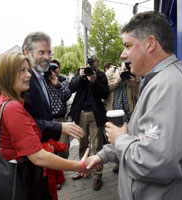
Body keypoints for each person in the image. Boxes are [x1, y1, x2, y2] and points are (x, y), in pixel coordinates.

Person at [87, 11, 182, 200]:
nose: (123, 54)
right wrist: (103, 156)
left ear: (151, 44)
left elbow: (157, 162)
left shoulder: (169, 86)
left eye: (128, 45)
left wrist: (120, 140)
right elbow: (140, 137)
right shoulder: (157, 81)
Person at [0, 52, 95, 200]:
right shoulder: (11, 108)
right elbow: (38, 157)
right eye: (22, 70)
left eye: (28, 70)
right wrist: (79, 165)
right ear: (7, 74)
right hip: (25, 181)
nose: (29, 75)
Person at [22, 32, 84, 198]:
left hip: (44, 153)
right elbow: (28, 123)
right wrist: (60, 126)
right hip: (33, 158)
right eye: (41, 52)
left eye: (49, 52)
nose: (47, 57)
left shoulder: (43, 78)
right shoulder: (24, 81)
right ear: (27, 53)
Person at [69, 56, 109, 191]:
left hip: (95, 113)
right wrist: (80, 77)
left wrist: (94, 81)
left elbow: (104, 93)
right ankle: (82, 169)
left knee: (97, 145)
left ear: (97, 65)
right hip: (80, 113)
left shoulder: (100, 75)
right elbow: (71, 88)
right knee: (82, 142)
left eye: (94, 65)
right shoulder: (79, 72)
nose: (92, 67)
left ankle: (98, 174)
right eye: (90, 64)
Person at [104, 61, 139, 174]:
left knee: (128, 137)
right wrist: (117, 81)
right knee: (115, 139)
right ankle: (118, 162)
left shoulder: (134, 78)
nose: (124, 72)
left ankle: (127, 162)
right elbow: (105, 90)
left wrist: (134, 84)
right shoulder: (114, 77)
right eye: (123, 69)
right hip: (115, 114)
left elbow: (140, 95)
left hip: (129, 113)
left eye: (126, 70)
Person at [45, 59, 72, 191]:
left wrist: (57, 85)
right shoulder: (43, 81)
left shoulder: (63, 81)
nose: (53, 72)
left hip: (61, 120)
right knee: (50, 151)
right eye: (51, 69)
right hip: (48, 120)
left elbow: (66, 97)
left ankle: (60, 167)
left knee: (64, 149)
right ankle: (55, 177)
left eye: (55, 69)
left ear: (59, 69)